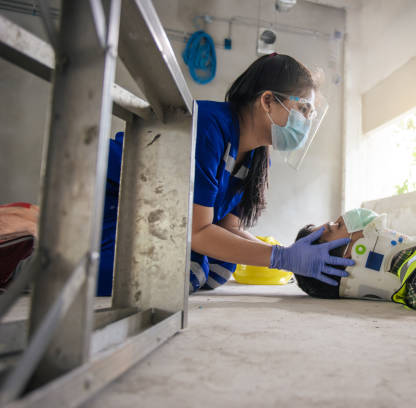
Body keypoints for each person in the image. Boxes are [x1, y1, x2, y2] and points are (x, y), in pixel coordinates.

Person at [99, 54, 353, 296]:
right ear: (267, 101)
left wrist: (287, 257)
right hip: (112, 207)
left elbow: (227, 227)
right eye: (304, 108)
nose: (307, 121)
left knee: (220, 267)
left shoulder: (255, 158)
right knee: (188, 273)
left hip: (154, 219)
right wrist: (280, 257)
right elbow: (198, 232)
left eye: (311, 114)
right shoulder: (208, 126)